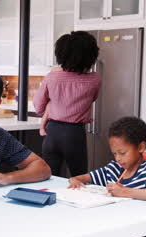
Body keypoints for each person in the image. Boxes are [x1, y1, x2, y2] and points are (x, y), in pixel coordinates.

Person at [68, 117, 146, 237]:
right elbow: (86, 177)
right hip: (115, 232)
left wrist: (126, 191)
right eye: (115, 153)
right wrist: (75, 180)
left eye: (122, 153)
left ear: (141, 147)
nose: (118, 158)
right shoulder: (115, 168)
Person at [33, 31, 101, 177]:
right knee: (79, 179)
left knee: (49, 178)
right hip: (75, 134)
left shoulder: (52, 77)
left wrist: (52, 104)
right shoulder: (95, 79)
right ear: (91, 56)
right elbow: (93, 98)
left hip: (52, 133)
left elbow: (38, 107)